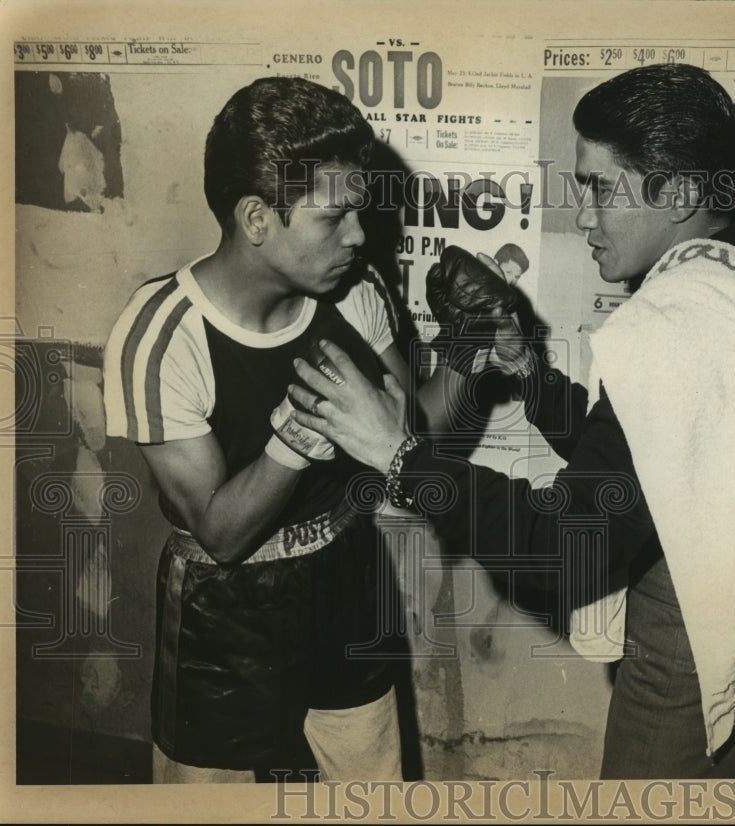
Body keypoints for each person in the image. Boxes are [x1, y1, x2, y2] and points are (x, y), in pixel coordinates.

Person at [287, 63, 735, 778]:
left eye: (599, 188)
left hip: (692, 656)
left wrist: (401, 458)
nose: (585, 215)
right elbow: (644, 460)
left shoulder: (675, 321)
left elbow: (568, 545)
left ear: (674, 193)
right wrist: (527, 373)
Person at [102, 77, 466, 783]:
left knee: (373, 787)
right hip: (226, 611)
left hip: (346, 573)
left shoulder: (355, 293)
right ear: (257, 218)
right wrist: (299, 437)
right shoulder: (160, 336)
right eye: (335, 218)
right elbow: (220, 532)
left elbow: (411, 437)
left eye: (360, 213)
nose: (359, 237)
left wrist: (473, 347)